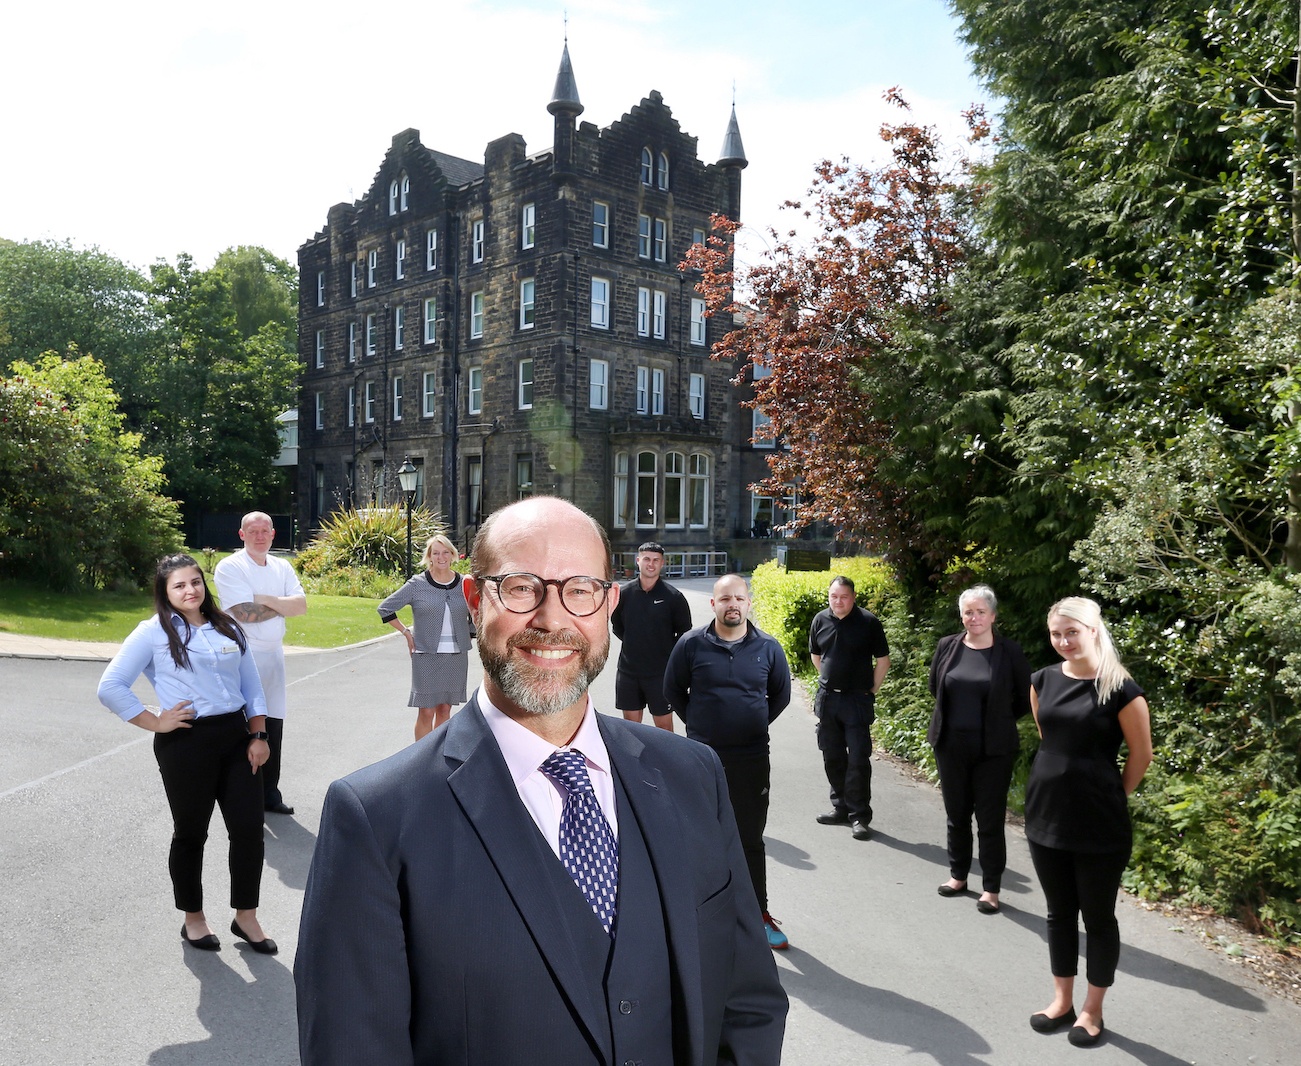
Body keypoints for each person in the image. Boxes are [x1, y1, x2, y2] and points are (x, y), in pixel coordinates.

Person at [296, 497, 787, 1066]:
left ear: (609, 605)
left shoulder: (692, 775)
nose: (553, 620)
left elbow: (748, 998)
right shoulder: (376, 819)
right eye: (522, 587)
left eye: (580, 589)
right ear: (475, 601)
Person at [97, 553, 279, 954]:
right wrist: (154, 722)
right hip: (186, 743)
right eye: (178, 585)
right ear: (165, 592)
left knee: (249, 830)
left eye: (195, 581)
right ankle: (193, 919)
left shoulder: (227, 626)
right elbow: (110, 687)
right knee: (191, 833)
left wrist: (259, 734)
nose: (190, 590)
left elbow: (252, 686)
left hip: (237, 738)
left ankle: (245, 916)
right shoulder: (152, 633)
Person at [1025, 597, 1153, 1048]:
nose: (1063, 641)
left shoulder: (1122, 690)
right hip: (1044, 815)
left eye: (1071, 632)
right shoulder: (1042, 680)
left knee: (1097, 918)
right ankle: (1061, 1000)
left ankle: (1092, 1010)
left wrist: (1111, 793)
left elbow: (1141, 755)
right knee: (1059, 913)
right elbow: (1050, 737)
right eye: (1056, 634)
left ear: (1094, 629)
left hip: (1099, 824)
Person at [664, 574, 792, 950]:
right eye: (724, 599)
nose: (732, 604)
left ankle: (759, 915)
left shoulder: (768, 648)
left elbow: (779, 696)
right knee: (702, 837)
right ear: (713, 604)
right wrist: (702, 728)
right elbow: (673, 690)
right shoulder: (690, 645)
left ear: (748, 603)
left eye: (739, 598)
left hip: (752, 757)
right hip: (702, 757)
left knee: (750, 838)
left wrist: (750, 723)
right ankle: (700, 917)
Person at [928, 584, 1032, 915]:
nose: (974, 618)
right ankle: (958, 875)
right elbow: (936, 686)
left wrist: (998, 720)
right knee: (956, 815)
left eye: (980, 612)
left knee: (989, 821)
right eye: (968, 612)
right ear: (962, 616)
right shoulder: (947, 646)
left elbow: (1023, 697)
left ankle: (990, 889)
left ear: (993, 616)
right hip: (950, 746)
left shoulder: (1009, 652)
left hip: (993, 750)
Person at [214, 511, 307, 816]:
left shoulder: (282, 566)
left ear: (273, 534)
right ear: (242, 535)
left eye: (264, 531)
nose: (259, 536)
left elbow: (301, 605)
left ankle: (270, 792)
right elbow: (242, 613)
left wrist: (263, 599)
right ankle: (242, 793)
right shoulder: (231, 566)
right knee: (245, 722)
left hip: (274, 654)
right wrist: (281, 604)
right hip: (242, 653)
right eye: (252, 531)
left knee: (274, 721)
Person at [808, 575, 890, 840]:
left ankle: (859, 816)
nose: (838, 601)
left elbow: (883, 661)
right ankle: (840, 807)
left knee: (857, 758)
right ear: (828, 596)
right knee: (831, 755)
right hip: (829, 699)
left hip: (857, 701)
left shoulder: (868, 622)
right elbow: (816, 655)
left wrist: (871, 690)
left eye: (844, 596)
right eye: (834, 596)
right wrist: (829, 680)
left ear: (853, 597)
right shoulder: (820, 620)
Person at [377, 533, 475, 740]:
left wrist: (472, 630)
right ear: (429, 556)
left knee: (445, 710)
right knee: (426, 711)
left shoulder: (463, 584)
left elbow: (477, 610)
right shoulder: (417, 584)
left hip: (456, 656)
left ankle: (439, 758)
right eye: (436, 553)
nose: (441, 557)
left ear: (452, 554)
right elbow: (385, 608)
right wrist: (406, 633)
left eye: (445, 552)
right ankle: (421, 759)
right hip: (426, 656)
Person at [610, 540, 692, 732]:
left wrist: (663, 651)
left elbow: (684, 634)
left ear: (662, 563)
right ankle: (632, 763)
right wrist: (636, 642)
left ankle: (666, 762)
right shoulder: (624, 594)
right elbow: (617, 627)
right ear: (638, 561)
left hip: (660, 675)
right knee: (630, 728)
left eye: (656, 560)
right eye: (646, 559)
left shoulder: (674, 597)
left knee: (664, 729)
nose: (651, 564)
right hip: (628, 672)